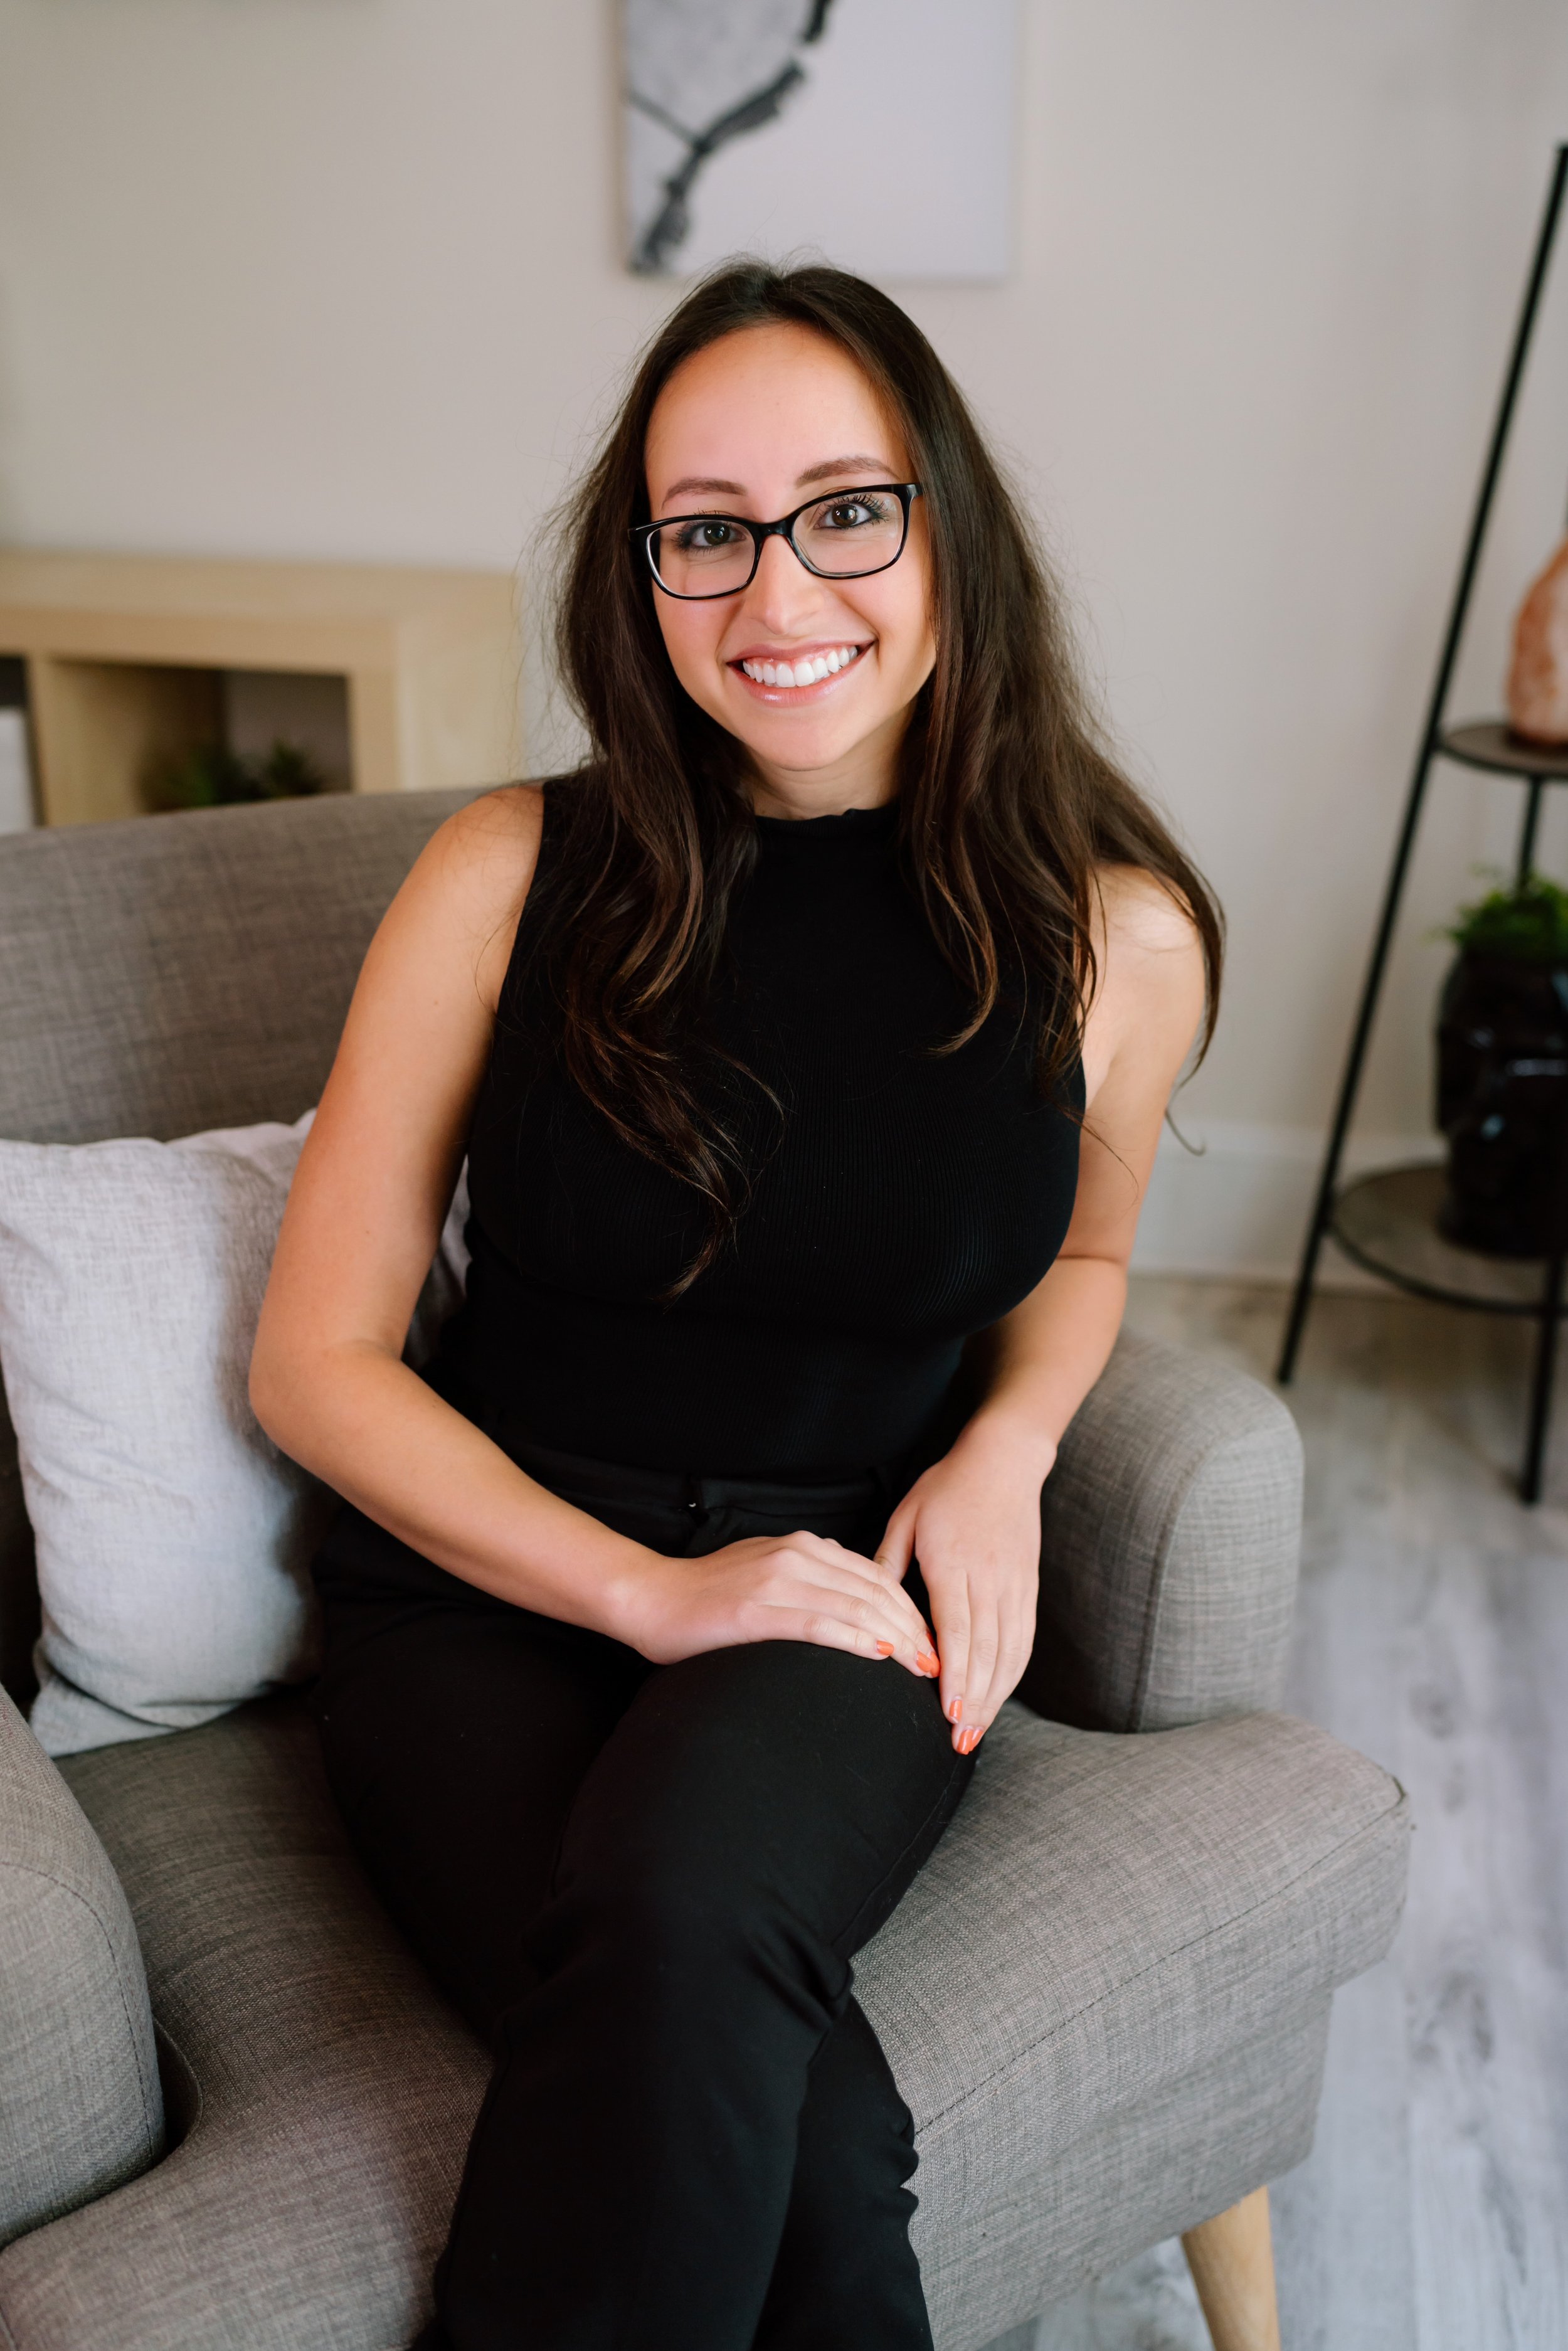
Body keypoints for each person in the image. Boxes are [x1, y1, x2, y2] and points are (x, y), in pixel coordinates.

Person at [250, 260, 1221, 2351]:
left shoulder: (1113, 940)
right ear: (642, 572)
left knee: (695, 1917)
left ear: (948, 526)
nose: (778, 591)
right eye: (705, 528)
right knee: (807, 2158)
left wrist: (1005, 1449)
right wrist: (640, 1589)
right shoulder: (508, 873)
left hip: (850, 1579)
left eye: (845, 509)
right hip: (479, 1586)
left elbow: (1076, 1253)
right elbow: (312, 1362)